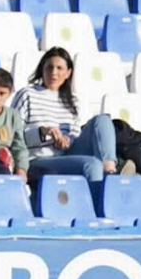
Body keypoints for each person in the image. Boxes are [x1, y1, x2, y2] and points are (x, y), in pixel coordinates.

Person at [11, 46, 117, 184]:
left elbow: (75, 133)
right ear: (42, 70)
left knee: (102, 120)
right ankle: (100, 195)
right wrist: (43, 132)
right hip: (38, 159)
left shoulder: (73, 101)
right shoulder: (27, 94)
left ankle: (110, 173)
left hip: (68, 154)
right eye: (49, 67)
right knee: (92, 164)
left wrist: (67, 140)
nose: (54, 72)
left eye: (59, 68)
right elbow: (13, 136)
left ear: (68, 73)